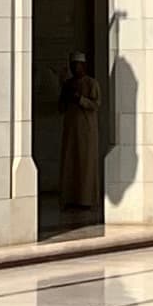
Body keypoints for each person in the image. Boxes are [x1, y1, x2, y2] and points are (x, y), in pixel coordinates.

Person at [57, 51, 104, 219]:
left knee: (86, 164)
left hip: (87, 130)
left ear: (83, 66)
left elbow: (96, 104)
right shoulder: (68, 84)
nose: (74, 68)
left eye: (77, 65)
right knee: (71, 162)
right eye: (72, 65)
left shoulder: (91, 83)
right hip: (71, 130)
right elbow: (61, 107)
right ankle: (70, 198)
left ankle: (87, 199)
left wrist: (80, 99)